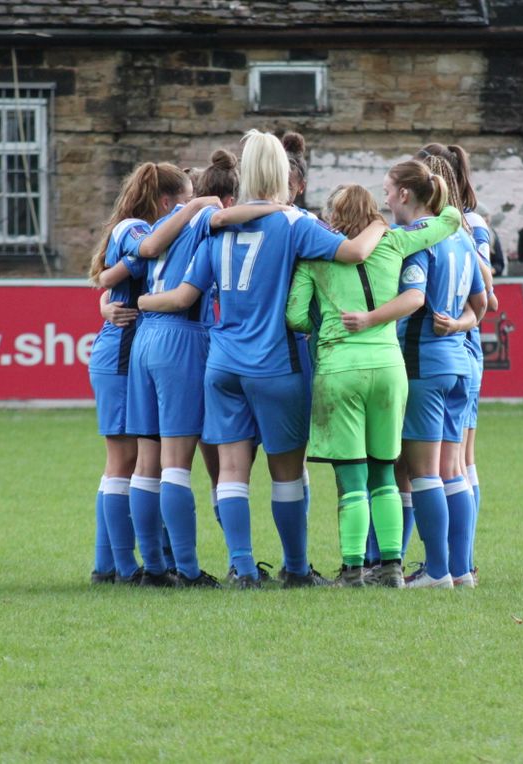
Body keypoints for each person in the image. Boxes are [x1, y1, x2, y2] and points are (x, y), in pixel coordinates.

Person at [138, 129, 386, 589]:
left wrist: (141, 304)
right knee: (287, 472)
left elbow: (187, 294)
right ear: (284, 174)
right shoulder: (294, 223)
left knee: (230, 472)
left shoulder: (221, 224)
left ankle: (244, 568)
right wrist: (380, 223)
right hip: (277, 362)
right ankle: (295, 568)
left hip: (223, 364)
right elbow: (352, 253)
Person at [120, 149, 290, 588]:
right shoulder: (200, 216)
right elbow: (217, 222)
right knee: (177, 464)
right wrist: (280, 208)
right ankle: (190, 570)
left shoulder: (155, 226)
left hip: (145, 338)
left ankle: (154, 568)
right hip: (181, 337)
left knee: (147, 460)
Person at [285, 183, 461, 587]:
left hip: (339, 369)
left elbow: (294, 315)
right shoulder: (396, 242)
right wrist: (437, 190)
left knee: (351, 476)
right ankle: (393, 567)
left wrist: (323, 325)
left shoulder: (316, 256)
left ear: (334, 215)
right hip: (387, 366)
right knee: (385, 470)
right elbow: (449, 221)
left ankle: (351, 569)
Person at [86, 162, 205, 586]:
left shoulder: (138, 228)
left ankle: (111, 566)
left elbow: (110, 277)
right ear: (166, 202)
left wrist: (106, 286)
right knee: (123, 461)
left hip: (129, 347)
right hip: (120, 351)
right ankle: (121, 566)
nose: (188, 207)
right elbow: (143, 253)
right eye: (184, 200)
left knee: (131, 461)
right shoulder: (136, 228)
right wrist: (196, 210)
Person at [417, 144, 498, 587]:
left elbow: (488, 288)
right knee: (458, 463)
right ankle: (459, 565)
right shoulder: (467, 228)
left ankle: (450, 564)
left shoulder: (459, 229)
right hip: (462, 347)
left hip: (448, 349)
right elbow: (486, 295)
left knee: (446, 463)